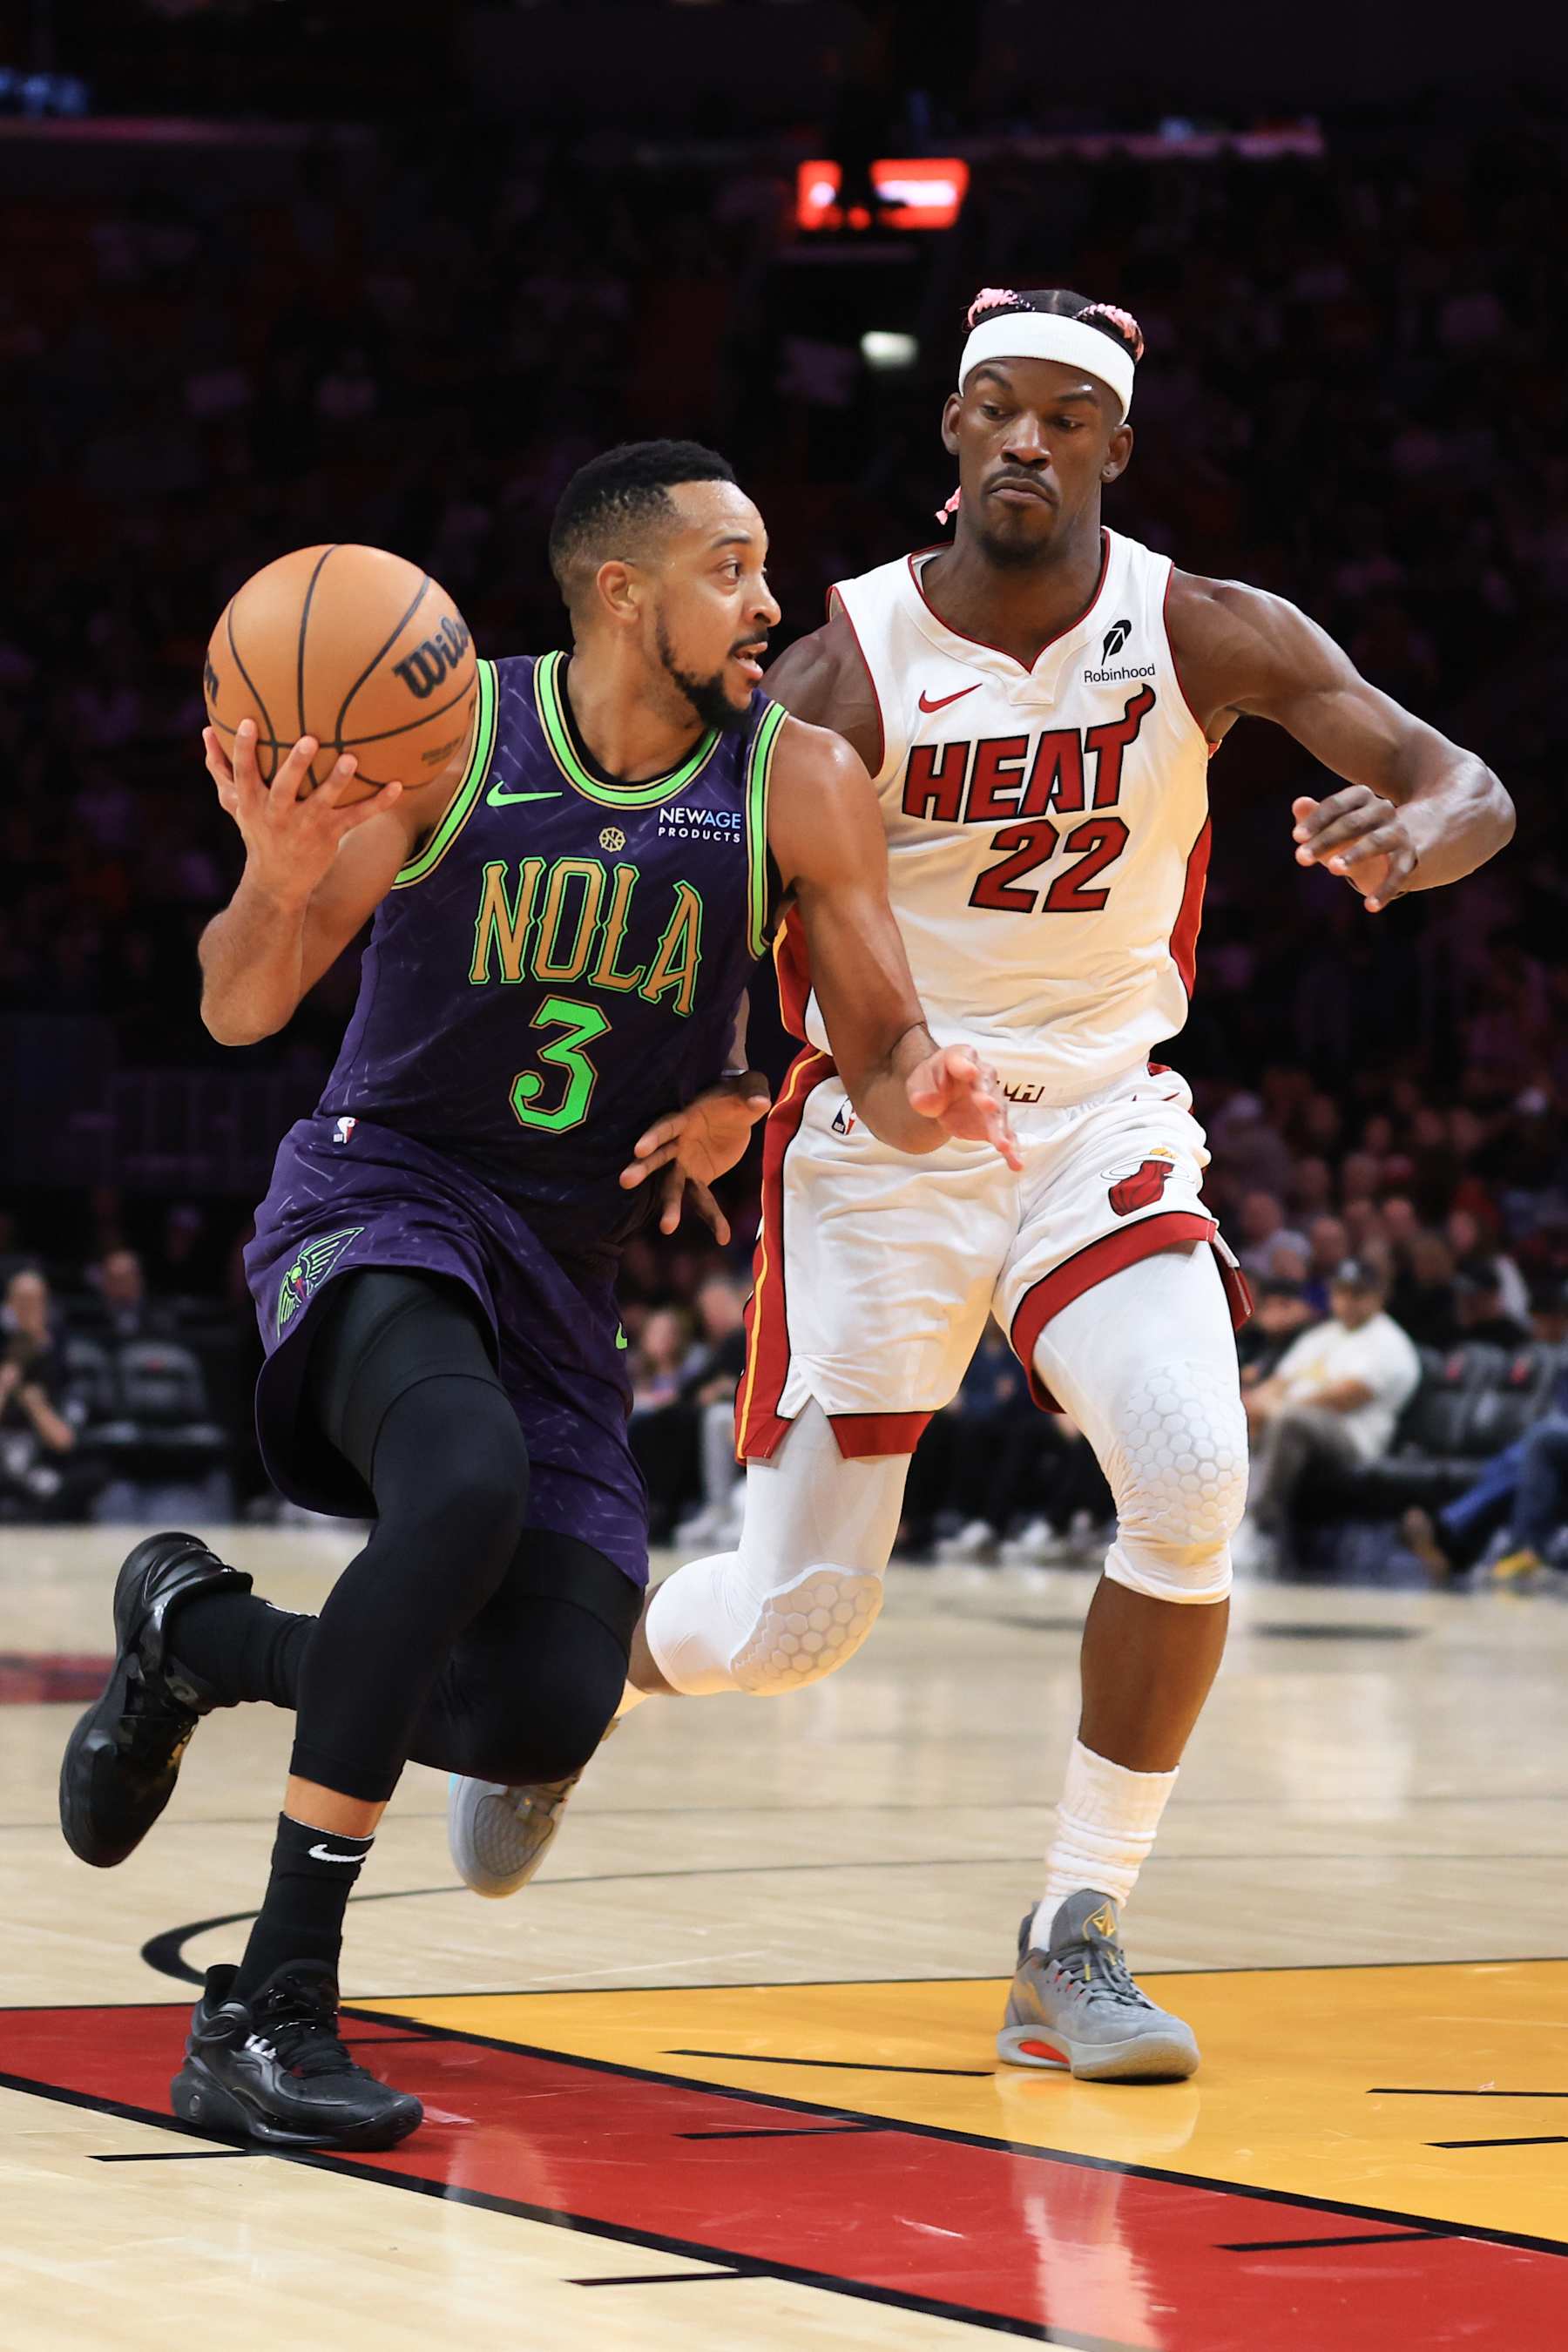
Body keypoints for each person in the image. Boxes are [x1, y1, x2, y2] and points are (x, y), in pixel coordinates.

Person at [450, 287, 1513, 2082]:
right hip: (883, 1140)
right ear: (952, 438)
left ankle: (1073, 1930)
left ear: (1114, 447)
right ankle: (577, 1685)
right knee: (799, 1628)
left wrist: (1419, 838)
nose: (1029, 439)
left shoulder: (1203, 628)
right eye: (997, 410)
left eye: (1064, 418)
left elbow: (1461, 777)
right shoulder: (840, 665)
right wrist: (720, 1085)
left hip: (1099, 1118)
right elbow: (712, 904)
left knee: (1189, 1475)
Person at [58, 439, 1015, 2153]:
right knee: (463, 1492)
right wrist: (274, 878)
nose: (769, 600)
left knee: (539, 1707)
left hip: (563, 1273)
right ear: (624, 592)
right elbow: (235, 1006)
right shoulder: (447, 740)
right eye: (734, 566)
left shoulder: (800, 783)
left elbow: (876, 1039)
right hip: (383, 1202)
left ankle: (192, 1634)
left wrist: (923, 1082)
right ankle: (271, 2007)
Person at [1242, 1259, 1423, 1545]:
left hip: (1353, 1437)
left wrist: (1278, 1407)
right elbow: (1278, 1382)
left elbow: (1344, 1398)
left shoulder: (1390, 1342)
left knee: (1289, 1421)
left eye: (1357, 1294)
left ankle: (1262, 1528)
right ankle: (1227, 1517)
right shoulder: (1321, 1336)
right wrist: (1255, 1404)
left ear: (1378, 1296)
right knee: (1242, 1413)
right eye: (1341, 1292)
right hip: (1295, 1420)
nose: (1347, 1301)